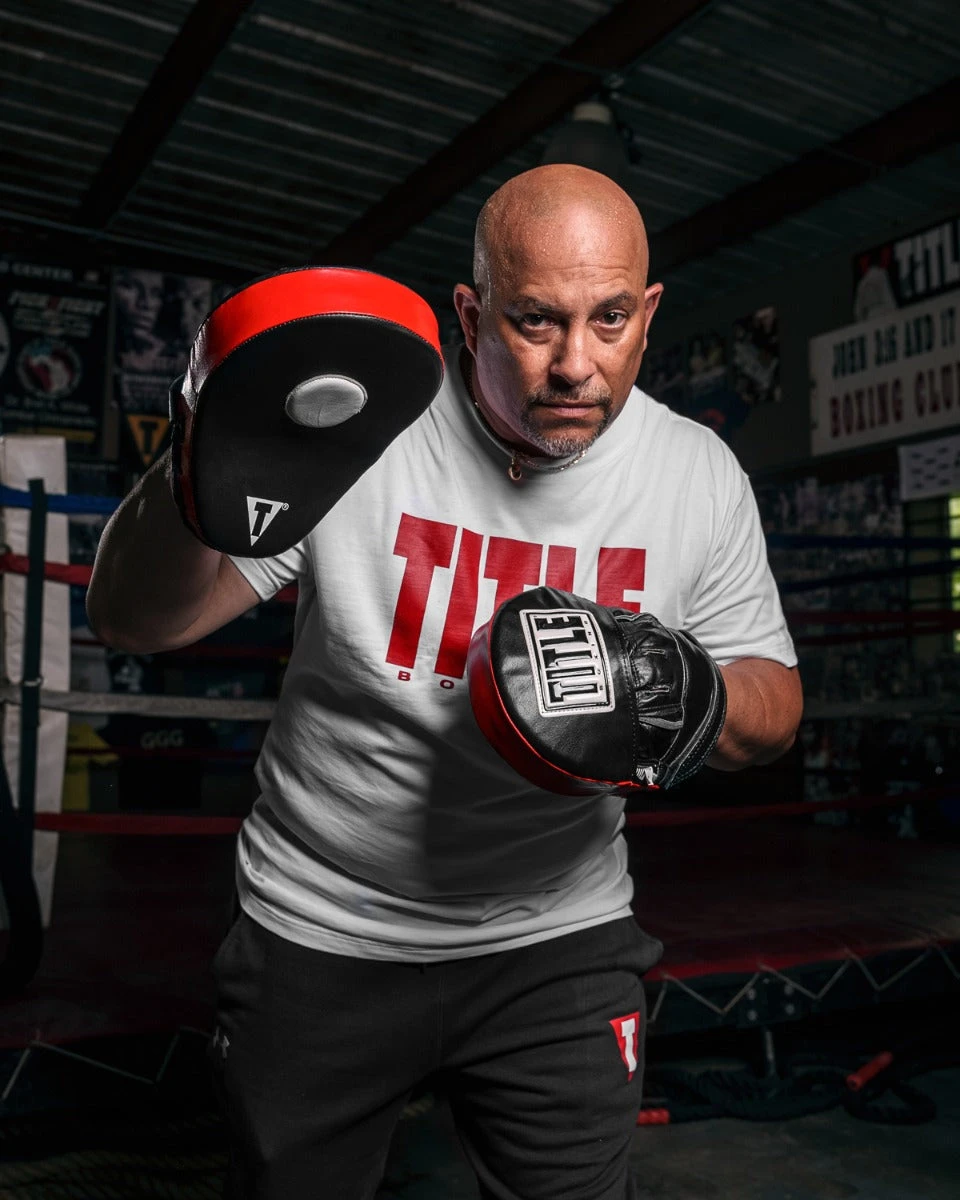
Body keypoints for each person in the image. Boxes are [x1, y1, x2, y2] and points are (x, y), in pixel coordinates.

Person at [86, 164, 802, 1200]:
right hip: (324, 929)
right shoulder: (366, 433)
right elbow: (135, 620)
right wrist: (208, 454)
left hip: (559, 939)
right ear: (470, 315)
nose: (576, 365)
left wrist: (687, 692)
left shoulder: (696, 474)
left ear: (648, 313)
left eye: (609, 320)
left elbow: (775, 704)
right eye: (535, 320)